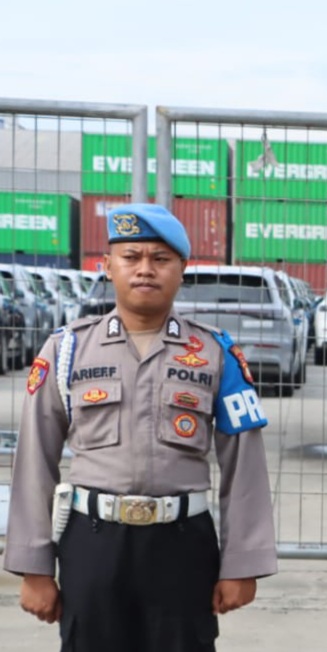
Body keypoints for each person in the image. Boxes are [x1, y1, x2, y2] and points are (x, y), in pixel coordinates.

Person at [3, 203, 278, 652]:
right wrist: (34, 567)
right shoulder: (67, 351)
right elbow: (35, 459)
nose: (145, 269)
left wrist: (240, 564)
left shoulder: (215, 354)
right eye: (131, 257)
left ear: (182, 269)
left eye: (160, 259)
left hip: (183, 547)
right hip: (93, 544)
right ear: (107, 266)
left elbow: (244, 461)